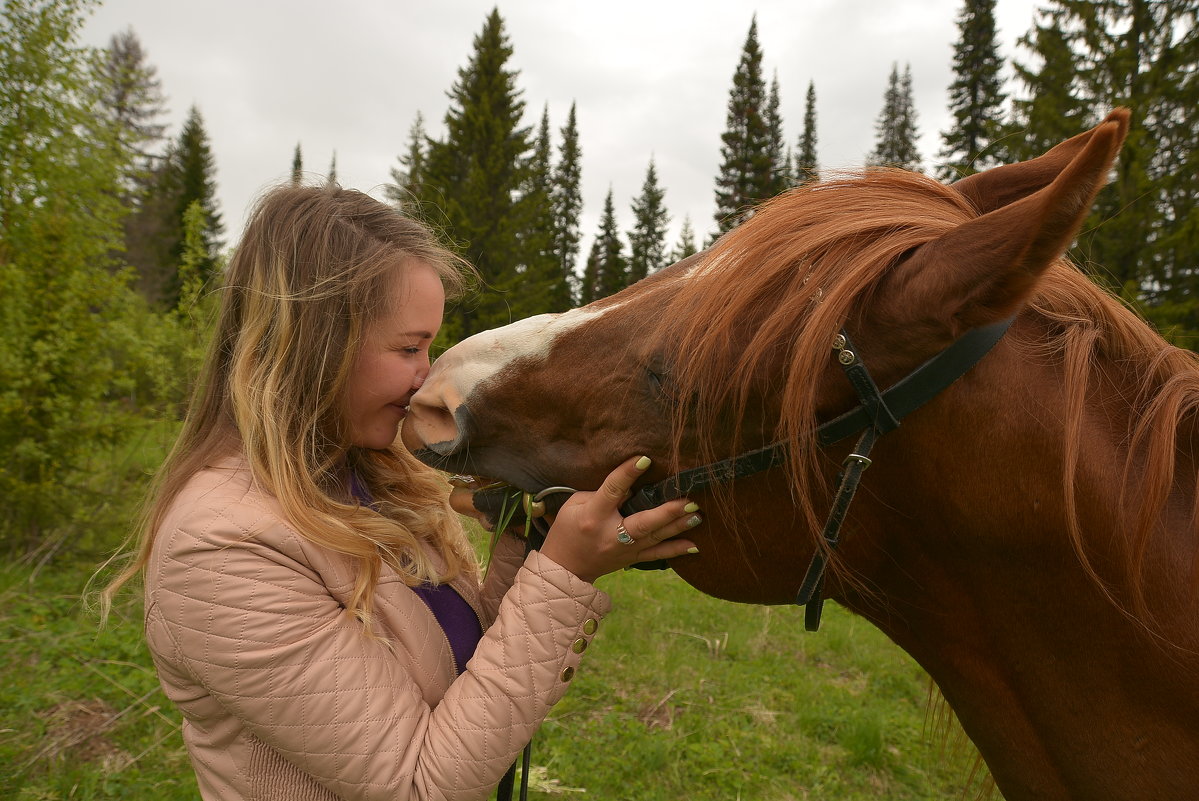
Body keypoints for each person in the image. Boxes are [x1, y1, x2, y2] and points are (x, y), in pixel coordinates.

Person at [101, 184, 700, 801]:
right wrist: (564, 576)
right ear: (312, 347)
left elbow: (461, 661)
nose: (428, 376)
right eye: (410, 348)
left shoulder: (366, 475)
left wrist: (532, 539)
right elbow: (418, 784)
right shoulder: (220, 551)